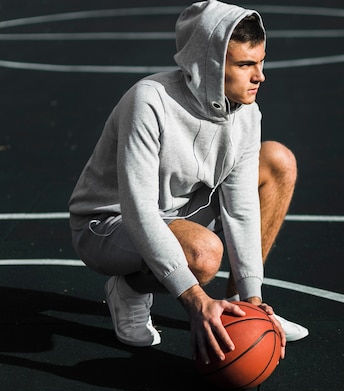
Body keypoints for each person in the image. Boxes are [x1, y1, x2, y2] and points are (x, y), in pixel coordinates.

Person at [68, 0, 308, 365]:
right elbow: (140, 210)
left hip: (180, 210)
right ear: (208, 67)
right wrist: (195, 300)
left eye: (260, 62)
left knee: (277, 162)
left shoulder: (246, 114)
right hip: (109, 223)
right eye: (245, 65)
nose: (260, 76)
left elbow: (241, 208)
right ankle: (129, 290)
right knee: (204, 253)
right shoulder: (149, 101)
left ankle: (243, 312)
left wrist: (253, 300)